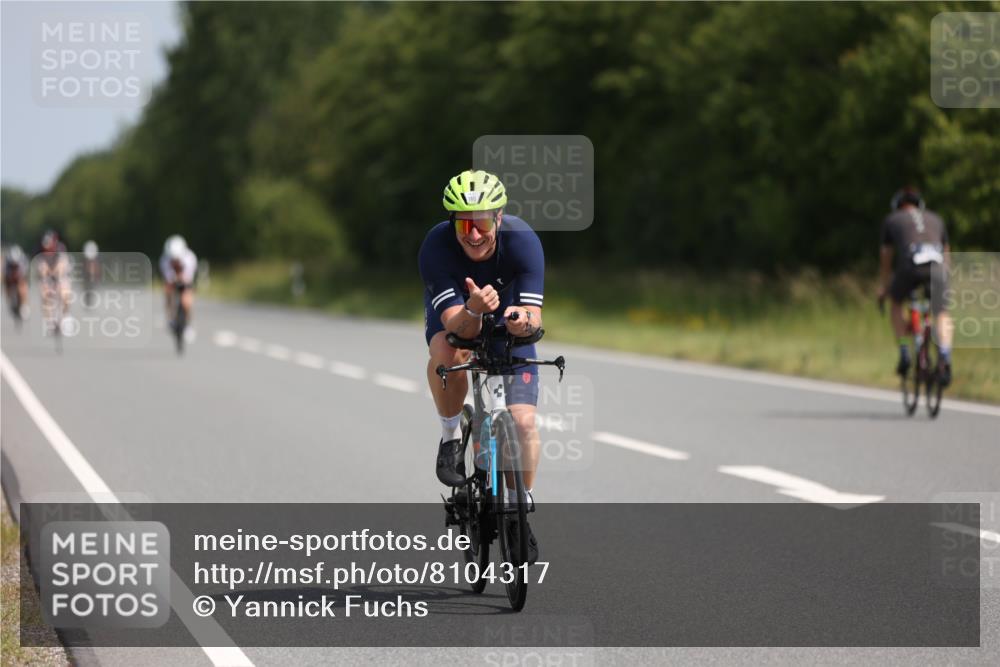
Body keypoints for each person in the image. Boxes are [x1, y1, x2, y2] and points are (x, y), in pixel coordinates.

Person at [418, 169, 545, 563]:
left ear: (500, 218)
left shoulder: (522, 241)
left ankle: (518, 510)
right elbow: (456, 327)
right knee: (444, 350)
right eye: (464, 224)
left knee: (522, 423)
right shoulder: (437, 246)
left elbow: (535, 318)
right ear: (452, 222)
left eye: (483, 222)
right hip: (459, 320)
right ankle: (450, 435)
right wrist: (474, 307)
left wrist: (520, 320)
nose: (474, 234)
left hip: (508, 330)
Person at [878, 187, 953, 386]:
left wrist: (884, 287)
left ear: (897, 206)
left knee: (895, 303)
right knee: (941, 312)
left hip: (911, 264)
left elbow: (886, 256)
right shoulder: (936, 218)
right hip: (937, 266)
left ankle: (904, 351)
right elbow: (947, 253)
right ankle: (945, 356)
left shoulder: (892, 219)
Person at [159, 235, 198, 341]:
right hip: (172, 280)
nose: (175, 261)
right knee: (167, 291)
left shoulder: (190, 258)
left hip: (185, 278)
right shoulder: (164, 260)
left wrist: (183, 280)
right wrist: (172, 281)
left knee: (187, 300)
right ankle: (170, 318)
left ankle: (188, 325)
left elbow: (188, 278)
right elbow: (168, 279)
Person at [36, 230, 72, 332]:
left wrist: (57, 276)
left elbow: (62, 264)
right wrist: (46, 278)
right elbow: (41, 267)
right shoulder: (39, 250)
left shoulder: (60, 248)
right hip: (47, 275)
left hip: (61, 273)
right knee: (45, 294)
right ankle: (50, 321)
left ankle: (65, 317)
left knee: (65, 293)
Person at [3, 244, 29, 319]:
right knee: (6, 286)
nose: (14, 265)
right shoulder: (7, 262)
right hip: (9, 276)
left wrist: (19, 277)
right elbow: (5, 275)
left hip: (20, 276)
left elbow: (24, 274)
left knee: (22, 286)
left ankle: (24, 305)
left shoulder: (23, 260)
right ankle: (10, 301)